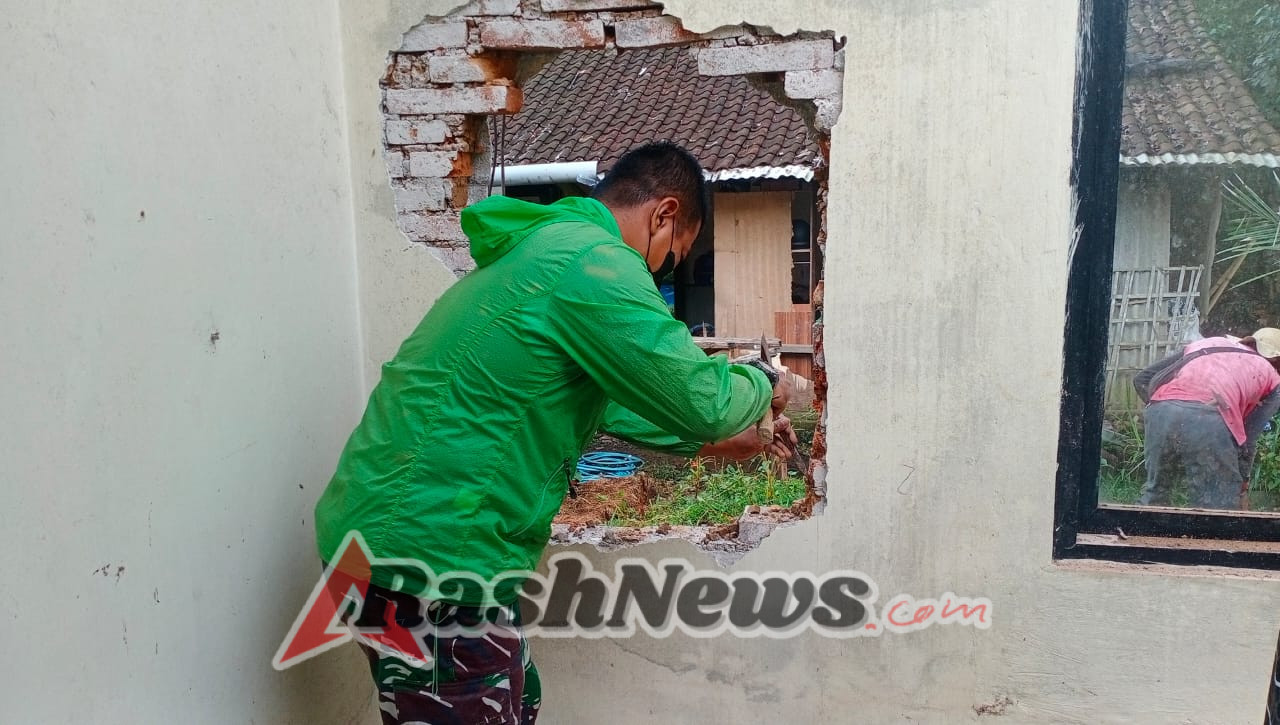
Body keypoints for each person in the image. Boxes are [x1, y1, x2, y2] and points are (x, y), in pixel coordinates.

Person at [312, 142, 796, 724]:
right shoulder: (594, 263)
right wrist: (766, 380)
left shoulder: (547, 251)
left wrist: (719, 442)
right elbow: (703, 401)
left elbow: (617, 405)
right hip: (428, 556)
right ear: (663, 215)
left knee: (519, 700)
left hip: (392, 541)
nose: (661, 274)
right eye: (673, 259)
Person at [1133, 328, 1280, 509]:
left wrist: (1168, 411)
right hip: (1209, 418)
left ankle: (1134, 526)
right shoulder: (1272, 376)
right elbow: (1249, 439)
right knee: (1217, 504)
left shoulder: (1209, 343)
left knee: (1156, 495)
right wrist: (1243, 483)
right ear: (1276, 360)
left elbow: (1142, 379)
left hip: (1160, 411)